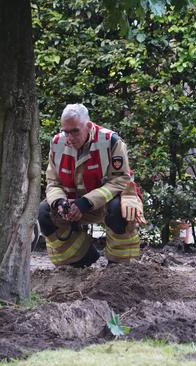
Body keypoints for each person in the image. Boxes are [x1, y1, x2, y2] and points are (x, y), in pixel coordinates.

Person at [39, 103, 145, 268]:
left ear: (88, 126)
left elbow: (120, 180)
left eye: (75, 131)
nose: (70, 137)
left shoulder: (111, 141)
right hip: (73, 205)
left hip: (103, 204)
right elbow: (53, 183)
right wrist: (60, 203)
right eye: (65, 131)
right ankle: (79, 259)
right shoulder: (57, 143)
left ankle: (119, 267)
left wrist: (85, 202)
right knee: (44, 212)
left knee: (120, 209)